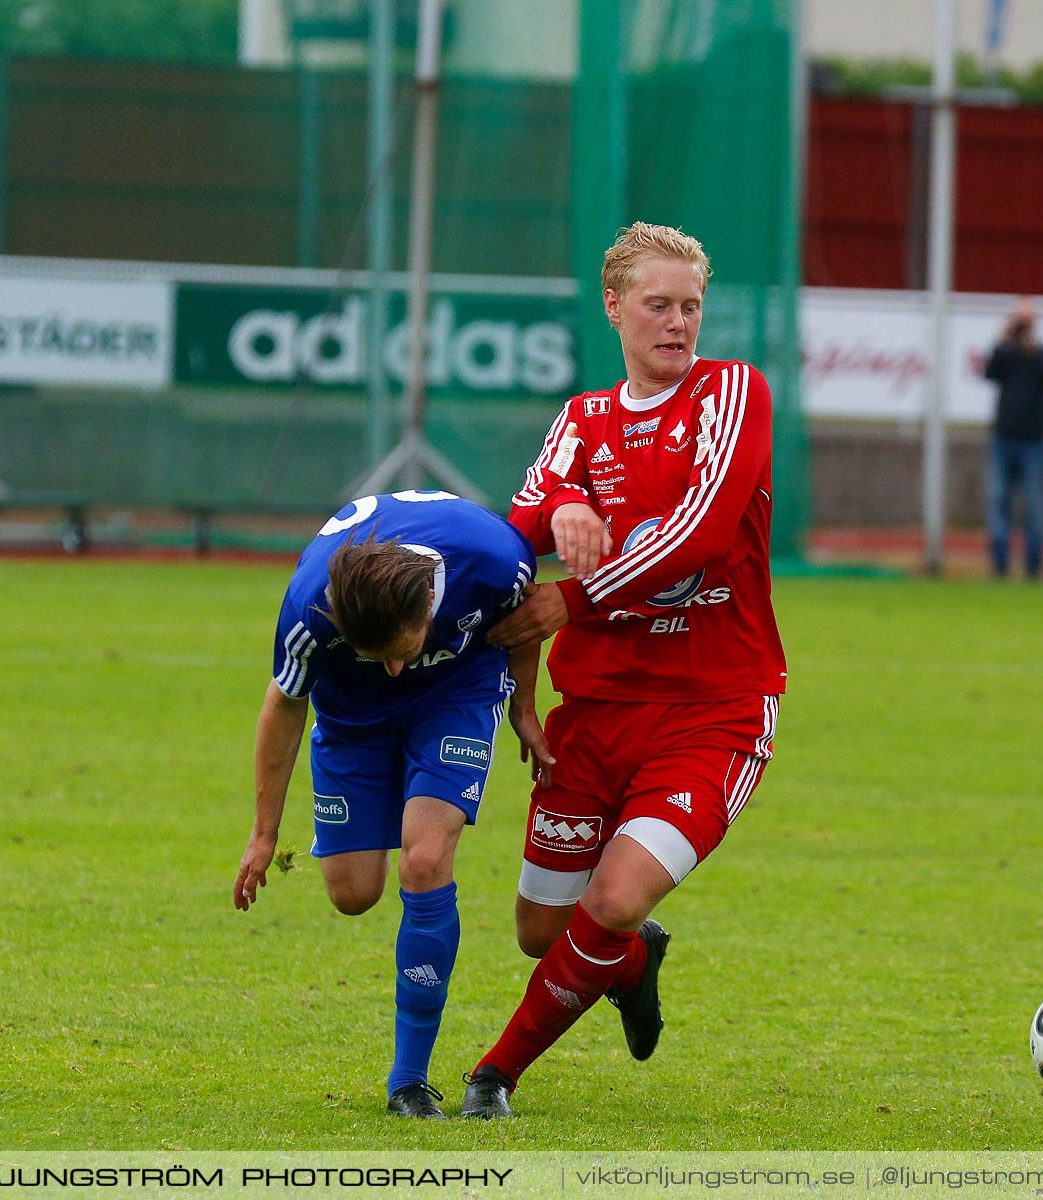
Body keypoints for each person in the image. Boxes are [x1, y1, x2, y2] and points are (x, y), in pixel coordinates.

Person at [459, 222, 787, 1118]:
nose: (678, 324)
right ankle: (636, 959)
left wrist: (576, 597)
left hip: (713, 710)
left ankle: (494, 1076)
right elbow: (516, 533)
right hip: (595, 712)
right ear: (614, 307)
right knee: (543, 932)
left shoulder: (731, 394)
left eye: (691, 307)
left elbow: (703, 532)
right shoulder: (582, 419)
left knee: (615, 895)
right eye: (658, 305)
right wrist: (563, 504)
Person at [232, 490, 550, 1120]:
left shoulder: (493, 559)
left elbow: (526, 619)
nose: (400, 668)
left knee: (425, 860)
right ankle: (618, 959)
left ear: (429, 602)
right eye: (383, 657)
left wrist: (522, 708)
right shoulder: (308, 609)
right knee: (353, 893)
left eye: (406, 648)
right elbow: (285, 703)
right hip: (351, 718)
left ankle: (408, 1082)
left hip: (459, 691)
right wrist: (263, 835)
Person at [982, 298, 1043, 580]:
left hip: (1033, 440)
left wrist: (1030, 347)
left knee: (1035, 504)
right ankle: (1000, 564)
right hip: (1004, 437)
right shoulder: (1005, 353)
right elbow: (989, 372)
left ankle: (1034, 566)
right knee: (998, 500)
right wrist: (1004, 340)